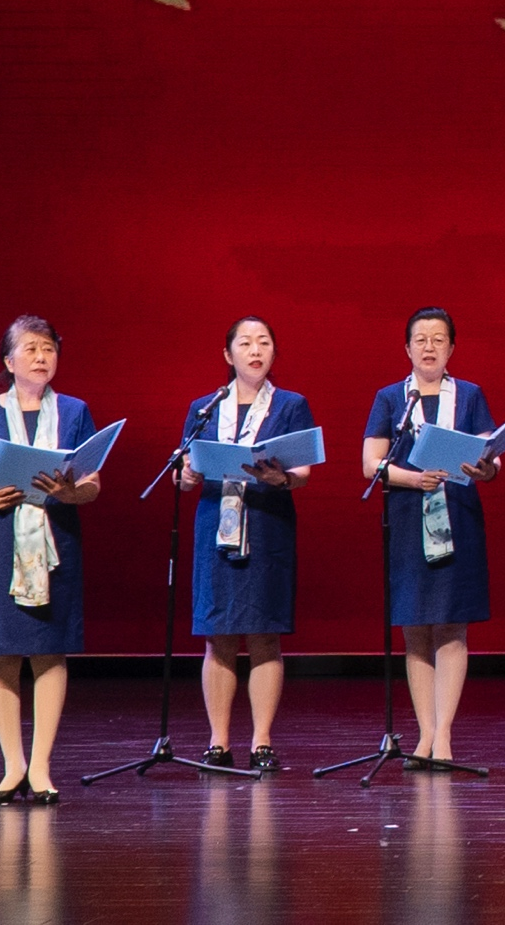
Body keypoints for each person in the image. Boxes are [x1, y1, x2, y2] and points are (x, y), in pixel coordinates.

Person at [0, 315, 103, 805]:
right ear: (9, 361)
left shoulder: (74, 410)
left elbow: (92, 484)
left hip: (55, 536)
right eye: (30, 349)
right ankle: (12, 764)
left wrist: (70, 492)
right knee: (2, 650)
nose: (40, 357)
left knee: (49, 648)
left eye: (48, 349)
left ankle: (41, 765)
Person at [174, 316, 316, 773]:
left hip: (268, 523)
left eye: (264, 342)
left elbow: (302, 472)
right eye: (246, 343)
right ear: (228, 354)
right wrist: (186, 475)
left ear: (274, 352)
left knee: (264, 634)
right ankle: (218, 741)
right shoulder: (205, 407)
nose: (255, 350)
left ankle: (261, 741)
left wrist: (281, 478)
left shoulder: (291, 404)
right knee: (218, 635)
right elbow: (183, 475)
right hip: (216, 524)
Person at [361, 308, 501, 767]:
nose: (429, 347)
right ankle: (423, 735)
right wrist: (411, 478)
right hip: (407, 519)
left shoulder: (470, 395)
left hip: (457, 516)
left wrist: (486, 467)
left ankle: (444, 737)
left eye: (439, 339)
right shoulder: (390, 398)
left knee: (452, 625)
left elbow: (491, 456)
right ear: (407, 348)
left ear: (451, 348)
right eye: (420, 339)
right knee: (416, 628)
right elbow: (371, 463)